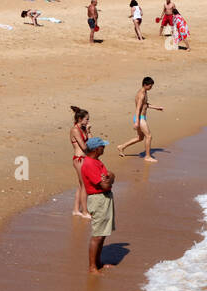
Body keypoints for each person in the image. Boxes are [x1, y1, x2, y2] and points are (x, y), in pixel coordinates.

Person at [80, 139, 116, 273]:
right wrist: (110, 178)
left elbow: (110, 176)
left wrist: (110, 177)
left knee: (103, 233)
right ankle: (92, 267)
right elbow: (106, 183)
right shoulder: (90, 164)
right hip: (98, 199)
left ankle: (98, 262)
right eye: (102, 147)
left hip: (104, 198)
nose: (104, 149)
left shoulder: (97, 162)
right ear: (96, 149)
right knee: (98, 235)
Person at [118, 77, 162, 162]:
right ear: (145, 85)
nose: (151, 88)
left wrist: (156, 107)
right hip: (140, 118)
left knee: (140, 138)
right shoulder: (141, 94)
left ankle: (122, 147)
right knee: (149, 136)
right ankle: (147, 156)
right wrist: (137, 122)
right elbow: (138, 108)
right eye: (150, 86)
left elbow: (145, 105)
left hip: (141, 118)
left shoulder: (144, 92)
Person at [69, 105, 92, 218]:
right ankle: (85, 212)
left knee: (80, 185)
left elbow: (91, 141)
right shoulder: (75, 130)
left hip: (84, 158)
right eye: (86, 119)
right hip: (79, 159)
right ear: (80, 119)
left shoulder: (83, 129)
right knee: (85, 185)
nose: (88, 121)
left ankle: (76, 209)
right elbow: (84, 146)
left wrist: (88, 131)